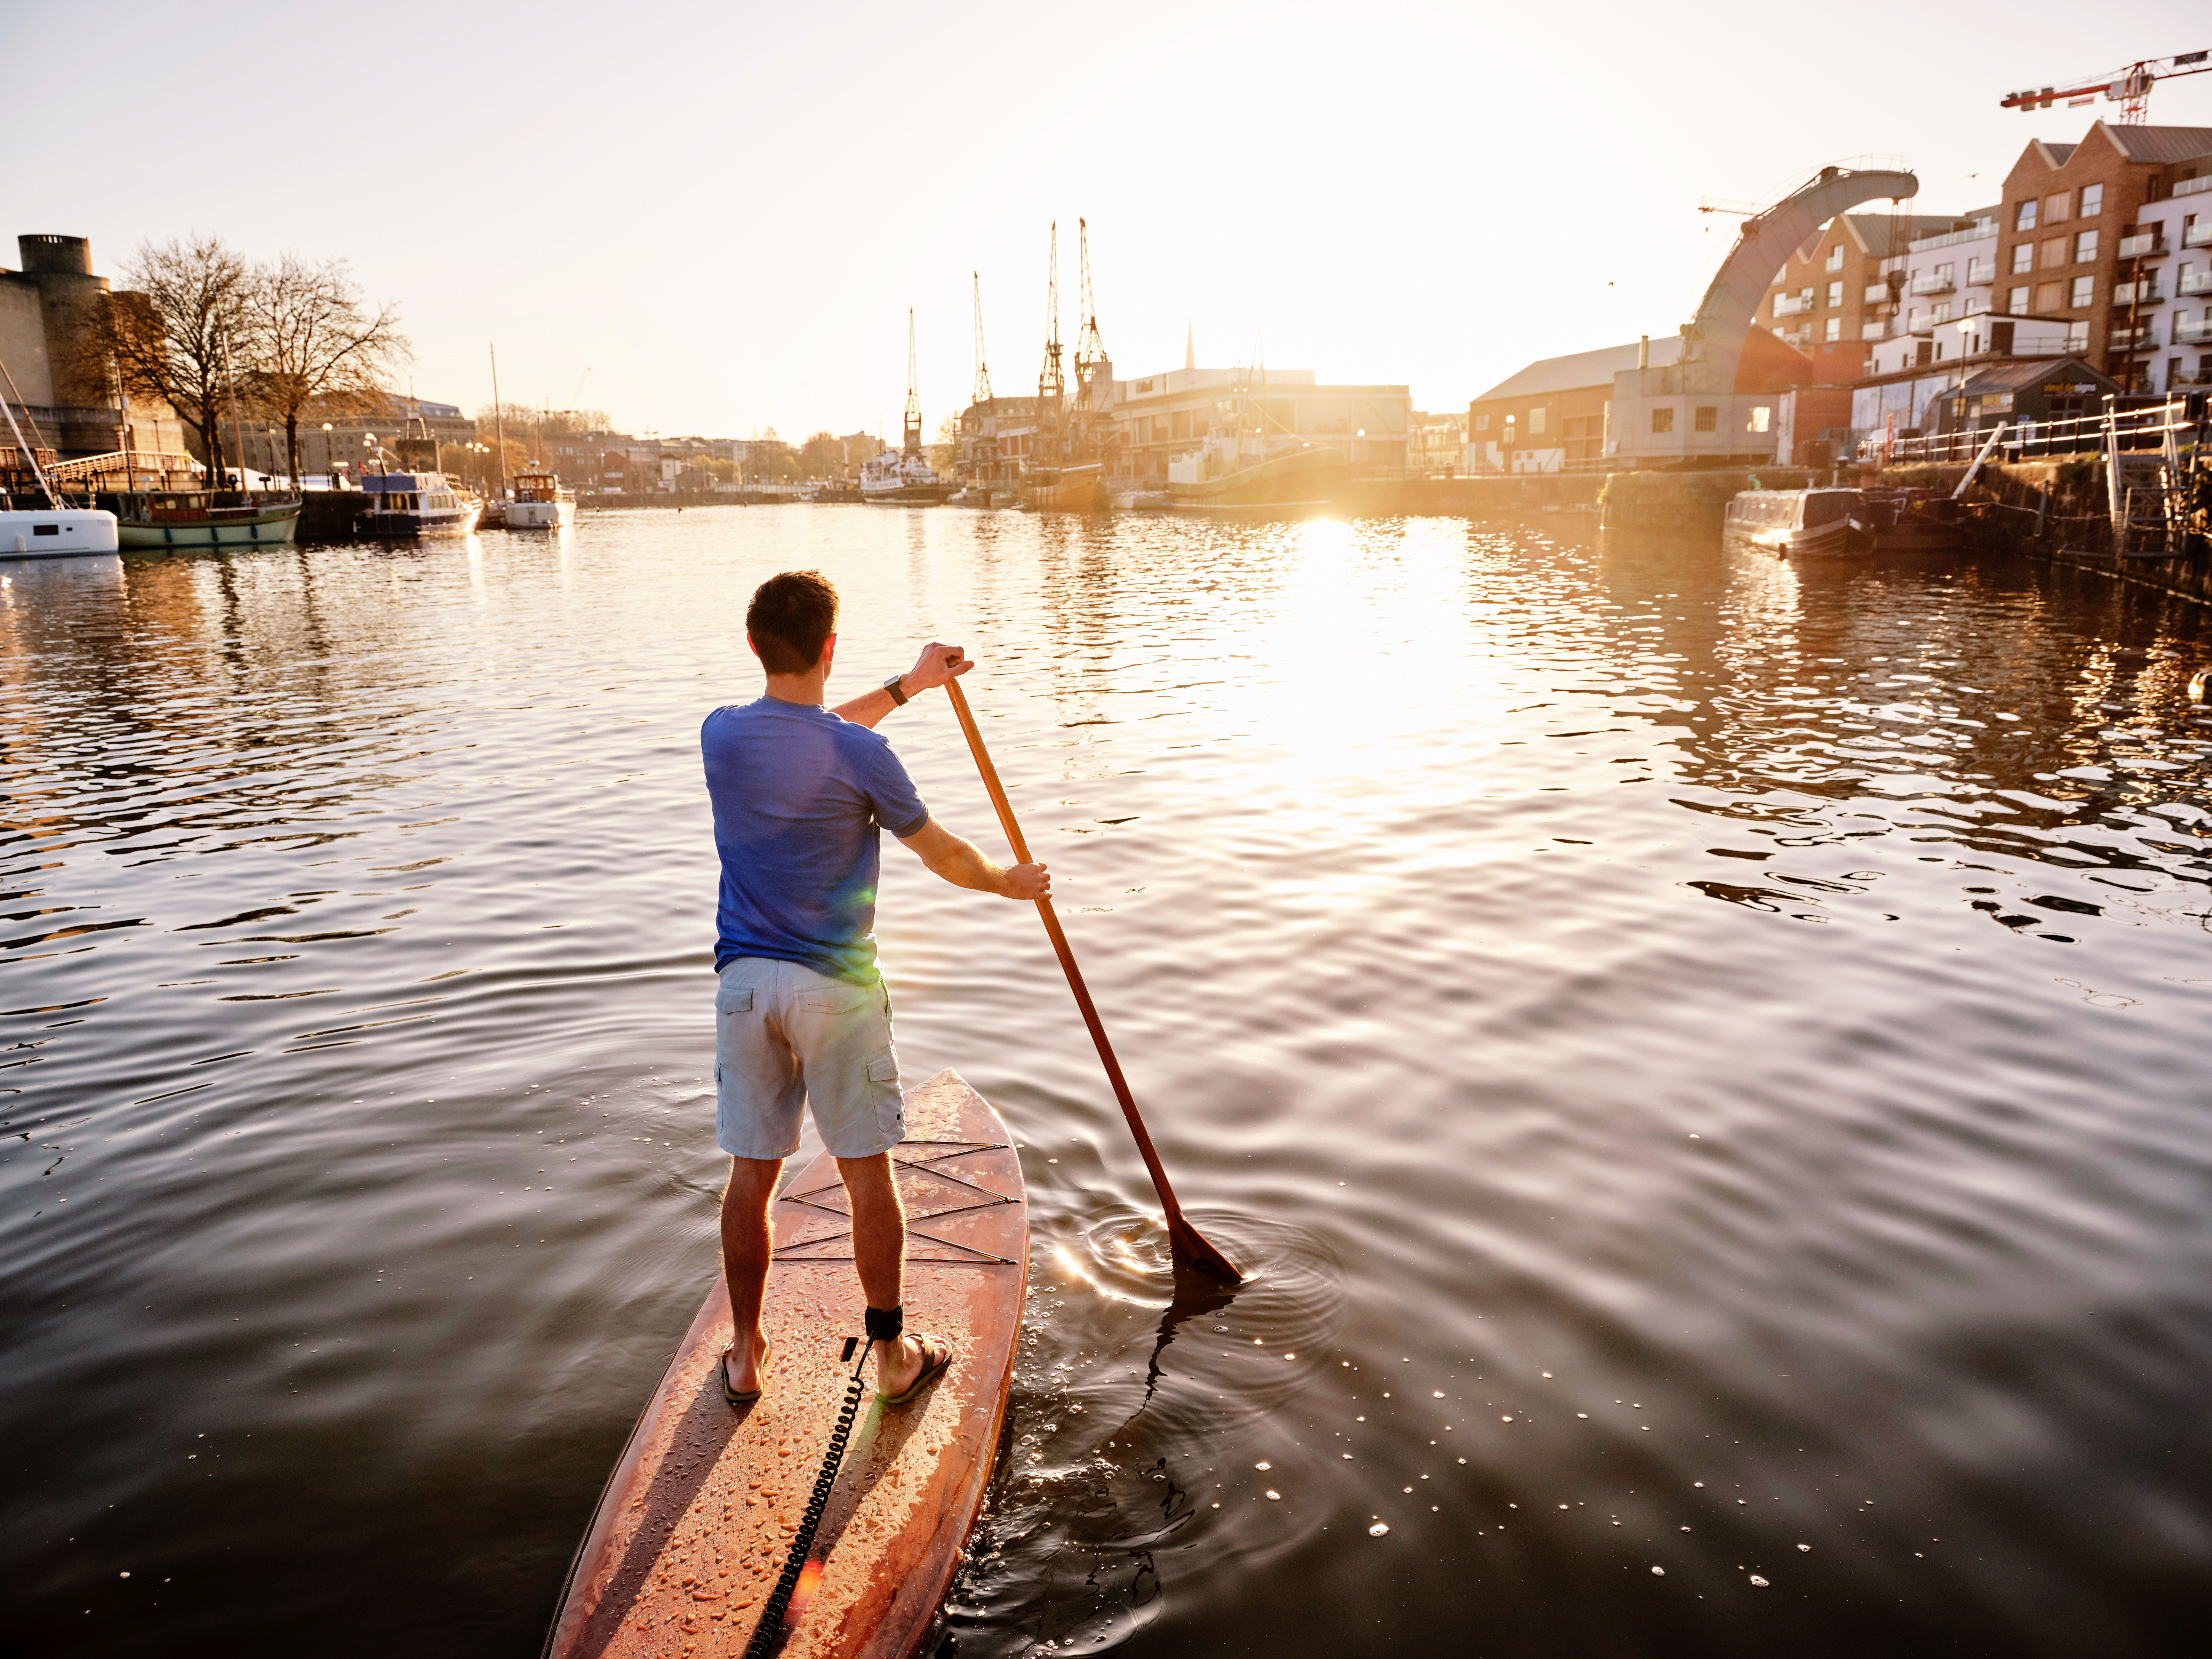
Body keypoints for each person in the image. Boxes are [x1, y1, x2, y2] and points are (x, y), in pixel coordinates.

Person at [702, 569, 1049, 1407]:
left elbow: (814, 730)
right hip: (836, 991)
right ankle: (893, 1358)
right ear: (830, 647)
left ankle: (746, 1354)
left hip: (745, 986)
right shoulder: (860, 754)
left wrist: (908, 685)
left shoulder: (720, 734)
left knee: (753, 1173)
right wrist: (1007, 881)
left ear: (753, 645)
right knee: (865, 1174)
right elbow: (940, 851)